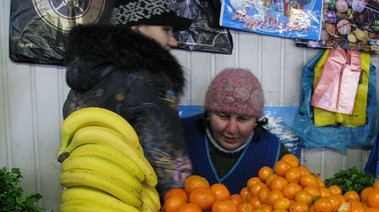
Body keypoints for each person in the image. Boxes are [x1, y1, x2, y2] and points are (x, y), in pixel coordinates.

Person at [62, 0, 193, 197]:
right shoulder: (150, 80)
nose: (173, 41)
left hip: (82, 202)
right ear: (138, 28)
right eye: (166, 30)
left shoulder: (86, 75)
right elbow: (170, 170)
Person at [181, 68, 288, 194]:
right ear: (208, 112)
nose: (232, 129)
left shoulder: (273, 151)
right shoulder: (180, 134)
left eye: (243, 118)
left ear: (256, 119)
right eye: (223, 116)